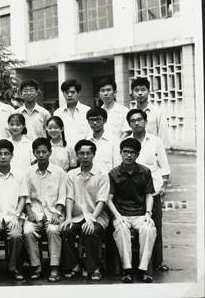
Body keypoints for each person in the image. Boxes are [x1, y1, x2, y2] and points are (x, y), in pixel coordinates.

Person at [125, 108, 170, 272]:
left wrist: (164, 186)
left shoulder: (155, 141)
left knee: (155, 225)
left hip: (153, 190)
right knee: (137, 227)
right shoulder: (126, 142)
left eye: (139, 120)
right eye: (133, 121)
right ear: (129, 124)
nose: (136, 123)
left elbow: (164, 166)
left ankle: (158, 261)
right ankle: (136, 262)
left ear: (145, 121)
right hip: (133, 192)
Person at [108, 138, 156, 283]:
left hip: (140, 214)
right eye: (126, 152)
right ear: (120, 153)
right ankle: (127, 269)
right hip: (121, 214)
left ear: (137, 155)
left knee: (149, 229)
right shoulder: (113, 173)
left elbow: (149, 195)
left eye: (132, 152)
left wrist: (148, 213)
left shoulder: (145, 172)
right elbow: (109, 199)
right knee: (121, 230)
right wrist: (117, 216)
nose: (129, 155)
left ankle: (143, 269)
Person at [61, 140, 110, 282]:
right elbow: (69, 197)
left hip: (97, 216)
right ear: (77, 155)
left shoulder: (102, 174)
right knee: (66, 230)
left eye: (88, 153)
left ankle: (93, 268)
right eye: (81, 153)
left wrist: (92, 219)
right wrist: (68, 217)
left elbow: (102, 200)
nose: (85, 157)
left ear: (94, 154)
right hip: (77, 216)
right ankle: (73, 265)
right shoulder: (71, 174)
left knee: (90, 230)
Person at [0, 139, 27, 282]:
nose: (3, 157)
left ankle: (14, 268)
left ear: (12, 155)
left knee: (15, 235)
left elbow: (22, 198)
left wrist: (16, 216)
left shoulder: (20, 175)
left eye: (6, 154)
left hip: (13, 216)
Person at [24, 137, 67, 283]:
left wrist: (57, 212)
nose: (41, 155)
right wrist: (30, 213)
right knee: (28, 231)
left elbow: (62, 196)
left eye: (44, 152)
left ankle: (54, 267)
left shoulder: (59, 172)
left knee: (53, 230)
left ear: (50, 152)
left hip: (54, 213)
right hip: (34, 213)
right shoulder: (28, 172)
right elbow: (25, 196)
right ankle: (36, 266)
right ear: (33, 153)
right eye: (38, 152)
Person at [130, 77, 170, 147]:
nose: (140, 93)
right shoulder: (130, 113)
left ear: (149, 91)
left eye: (143, 90)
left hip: (153, 149)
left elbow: (163, 136)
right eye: (136, 90)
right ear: (132, 93)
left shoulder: (158, 112)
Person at [53, 79, 91, 147]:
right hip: (63, 149)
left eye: (72, 92)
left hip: (83, 150)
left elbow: (90, 133)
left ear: (79, 93)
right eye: (66, 92)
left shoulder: (87, 111)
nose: (69, 95)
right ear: (63, 94)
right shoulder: (57, 113)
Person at [85, 107, 121, 175]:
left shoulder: (114, 141)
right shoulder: (86, 141)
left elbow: (117, 165)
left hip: (108, 179)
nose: (95, 123)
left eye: (98, 119)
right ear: (88, 122)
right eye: (92, 120)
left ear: (105, 120)